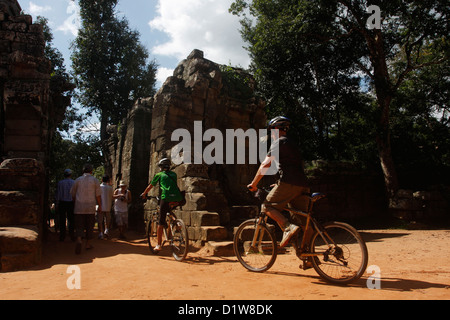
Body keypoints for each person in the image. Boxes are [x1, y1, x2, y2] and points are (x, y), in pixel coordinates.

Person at [247, 116, 310, 248]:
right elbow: (295, 166)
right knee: (302, 222)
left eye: (271, 130)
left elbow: (265, 165)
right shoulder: (292, 143)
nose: (271, 134)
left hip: (289, 183)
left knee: (267, 206)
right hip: (303, 185)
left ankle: (287, 228)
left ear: (276, 129)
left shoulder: (279, 142)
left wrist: (254, 184)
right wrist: (278, 184)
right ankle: (309, 256)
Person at [140, 158, 183, 252]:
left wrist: (144, 194)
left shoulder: (159, 175)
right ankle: (177, 223)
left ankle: (159, 244)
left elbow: (150, 186)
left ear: (161, 167)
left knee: (160, 221)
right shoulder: (174, 174)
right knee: (170, 211)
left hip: (166, 197)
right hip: (177, 198)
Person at [70, 163, 102, 254]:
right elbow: (98, 195)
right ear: (91, 171)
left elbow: (72, 193)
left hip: (79, 206)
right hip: (90, 207)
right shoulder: (95, 180)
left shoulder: (77, 180)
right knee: (89, 225)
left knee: (79, 225)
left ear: (82, 171)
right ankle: (88, 244)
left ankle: (79, 239)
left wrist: (75, 202)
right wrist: (100, 205)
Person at [55, 169, 75, 242]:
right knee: (71, 220)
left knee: (62, 220)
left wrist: (57, 203)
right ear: (70, 175)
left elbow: (58, 194)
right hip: (71, 203)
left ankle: (62, 236)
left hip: (62, 203)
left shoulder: (60, 183)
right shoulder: (74, 182)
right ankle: (72, 235)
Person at [98, 175, 113, 239]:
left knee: (100, 220)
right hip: (108, 206)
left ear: (101, 180)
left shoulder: (99, 187)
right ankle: (106, 230)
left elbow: (98, 196)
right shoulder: (110, 188)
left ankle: (101, 233)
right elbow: (112, 197)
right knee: (107, 219)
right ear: (108, 180)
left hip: (101, 205)